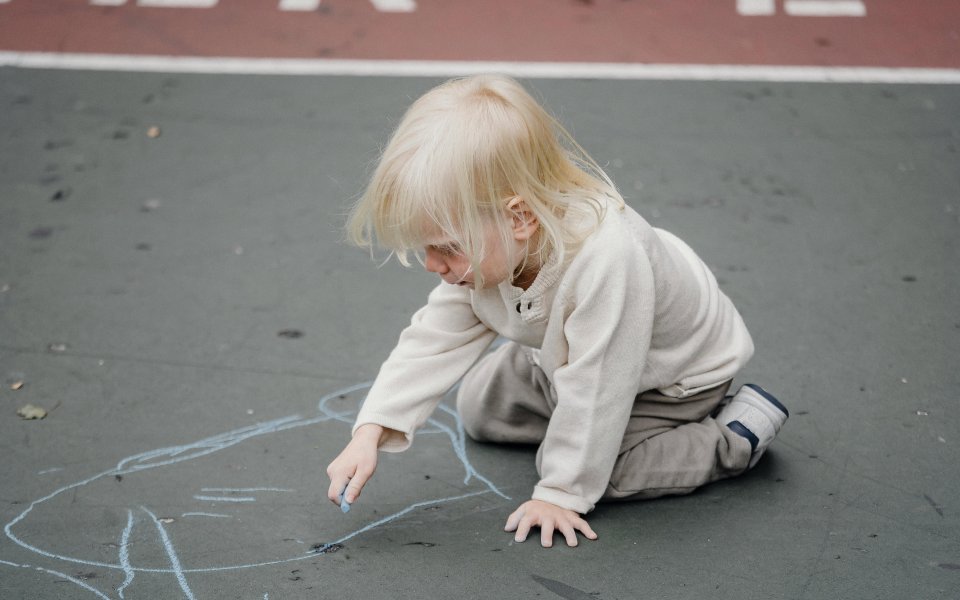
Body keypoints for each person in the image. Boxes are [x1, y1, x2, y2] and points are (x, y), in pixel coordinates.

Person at [325, 74, 788, 548]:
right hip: (565, 355)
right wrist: (372, 429)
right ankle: (571, 440)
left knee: (602, 472)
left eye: (445, 246)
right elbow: (433, 339)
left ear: (519, 217)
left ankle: (733, 437)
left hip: (670, 380)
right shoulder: (491, 249)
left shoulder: (609, 260)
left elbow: (600, 387)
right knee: (481, 408)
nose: (431, 264)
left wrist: (562, 492)